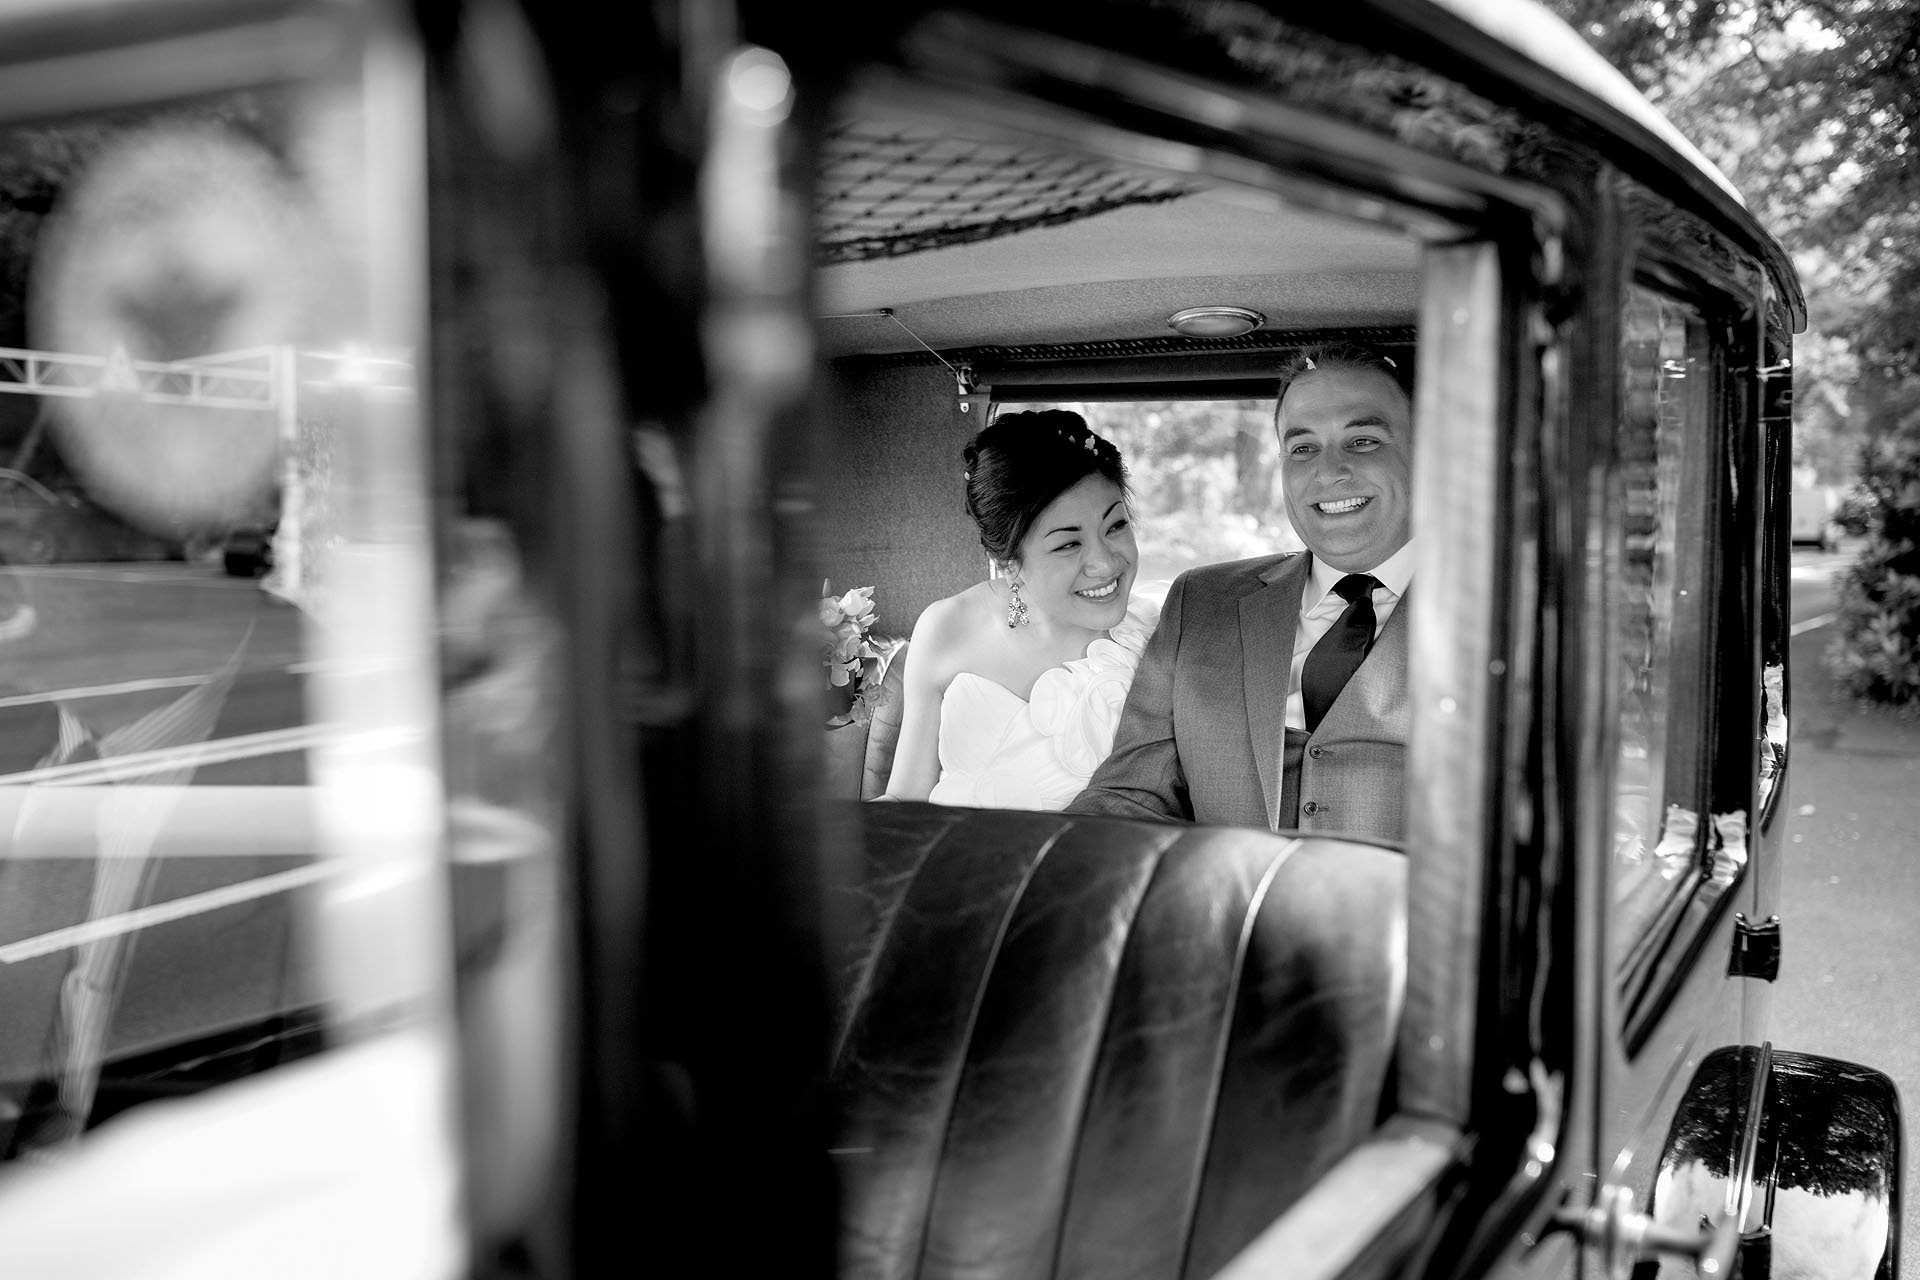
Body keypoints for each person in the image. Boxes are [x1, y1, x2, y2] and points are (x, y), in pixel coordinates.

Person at [1067, 343, 1414, 842]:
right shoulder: (1201, 601)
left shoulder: (1507, 614)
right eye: (1302, 448)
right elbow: (1132, 796)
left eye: (1362, 441)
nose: (1329, 471)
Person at [880, 409, 1160, 810]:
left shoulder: (1160, 635)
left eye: (1116, 526)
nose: (1105, 563)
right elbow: (905, 799)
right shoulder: (945, 628)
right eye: (1069, 544)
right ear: (1010, 562)